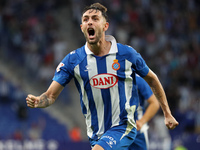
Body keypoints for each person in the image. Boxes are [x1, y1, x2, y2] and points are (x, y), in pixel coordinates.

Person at [26, 3, 179, 150]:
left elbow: (152, 79)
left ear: (105, 26)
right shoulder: (73, 60)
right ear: (82, 28)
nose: (89, 22)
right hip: (95, 133)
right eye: (85, 19)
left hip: (123, 127)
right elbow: (51, 95)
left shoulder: (126, 54)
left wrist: (167, 113)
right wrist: (40, 100)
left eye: (95, 18)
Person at [127, 75, 160, 150]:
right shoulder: (111, 79)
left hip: (137, 132)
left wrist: (142, 122)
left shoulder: (137, 79)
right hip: (117, 130)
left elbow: (154, 103)